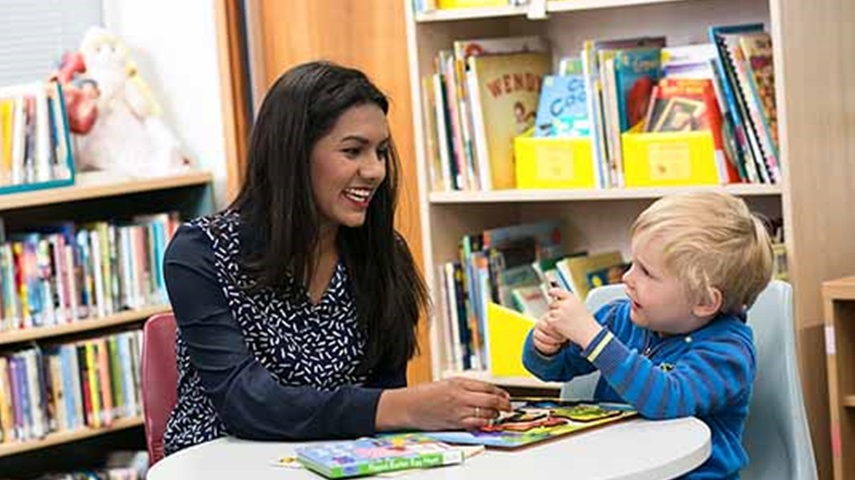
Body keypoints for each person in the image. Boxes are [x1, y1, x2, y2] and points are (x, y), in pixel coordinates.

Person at [162, 61, 512, 456]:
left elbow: (384, 414)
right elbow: (246, 402)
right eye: (352, 151)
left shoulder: (384, 255)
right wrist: (407, 406)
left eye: (380, 152)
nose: (376, 170)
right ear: (293, 154)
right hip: (215, 465)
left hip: (337, 465)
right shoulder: (200, 253)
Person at [522, 192, 773, 479]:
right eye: (632, 263)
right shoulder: (620, 318)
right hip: (620, 468)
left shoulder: (727, 352)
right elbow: (554, 369)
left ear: (704, 301)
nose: (627, 278)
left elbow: (667, 399)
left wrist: (592, 337)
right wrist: (546, 345)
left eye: (646, 272)